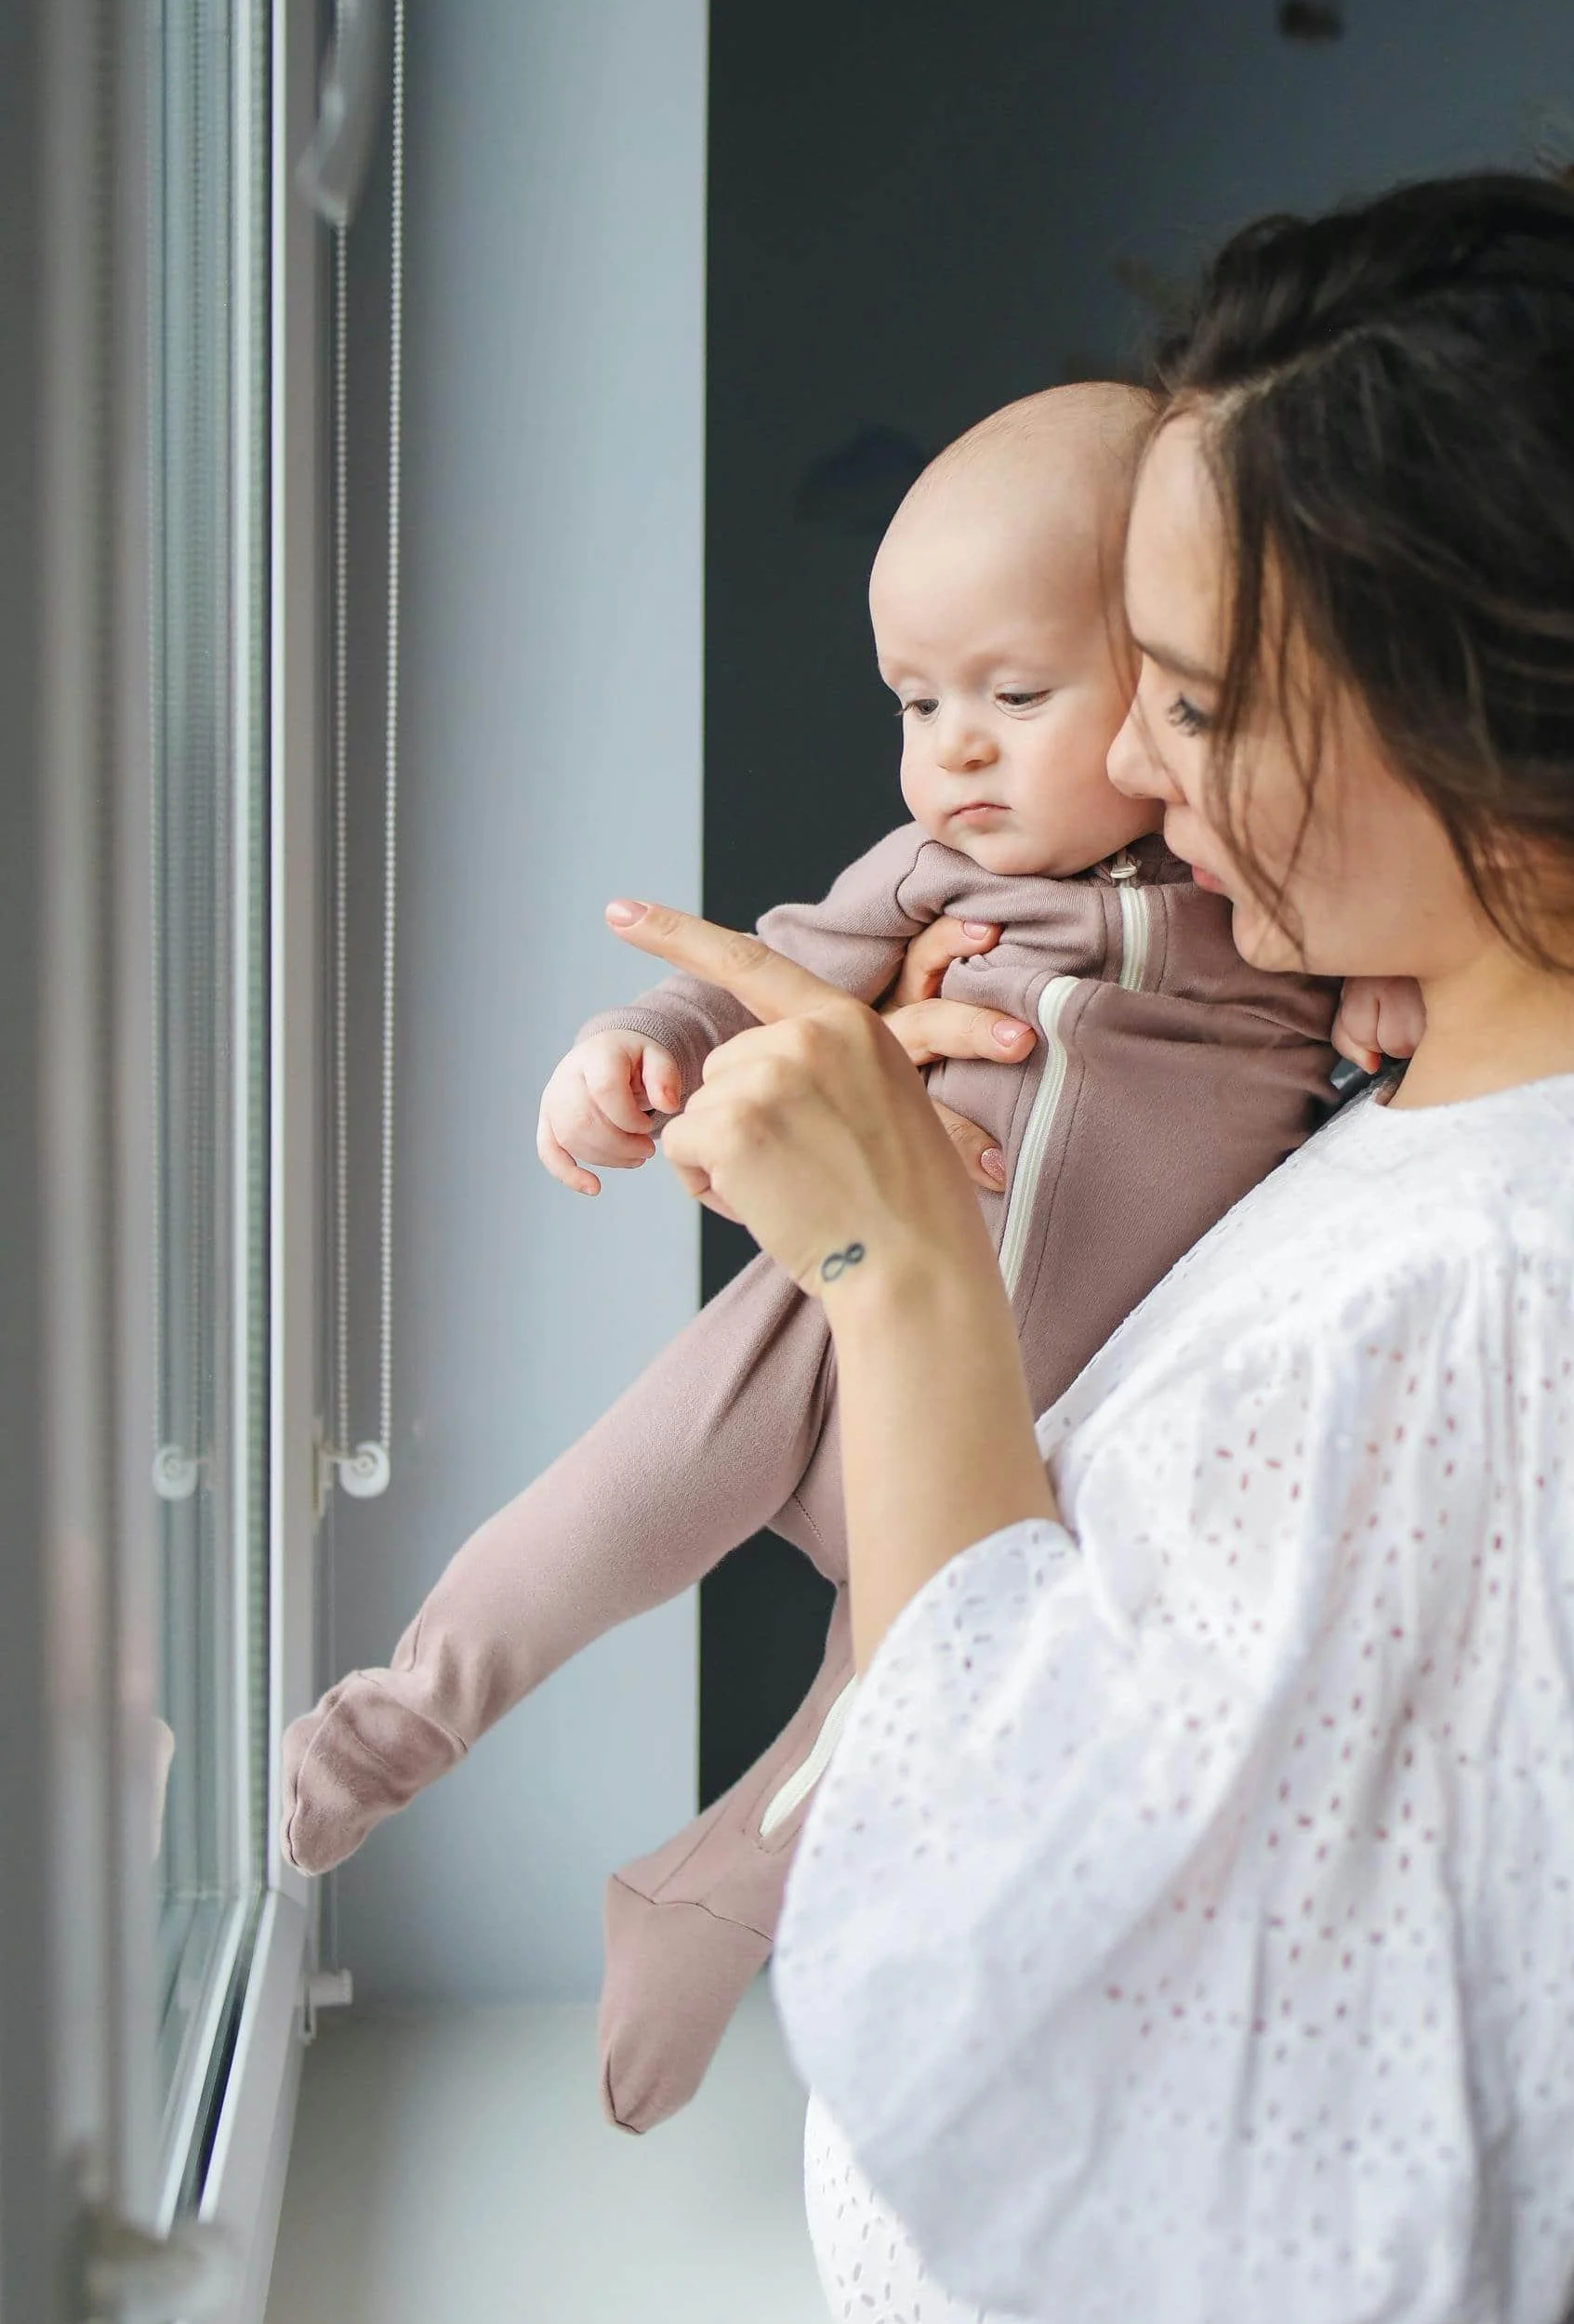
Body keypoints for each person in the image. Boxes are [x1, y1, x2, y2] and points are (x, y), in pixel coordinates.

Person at [602, 132, 1574, 2324]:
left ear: (1463, 718)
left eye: (1191, 697)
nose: (1141, 788)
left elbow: (1165, 2109)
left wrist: (894, 1264)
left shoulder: (1504, 1294)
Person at [279, 382, 1359, 2132]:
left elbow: (1360, 1034)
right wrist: (637, 1044)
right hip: (825, 1317)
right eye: (920, 704)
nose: (957, 753)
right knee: (612, 1504)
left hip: (1023, 1427)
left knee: (880, 1721)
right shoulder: (937, 878)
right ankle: (384, 1727)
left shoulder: (1270, 890)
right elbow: (768, 963)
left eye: (1018, 696)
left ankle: (696, 1907)